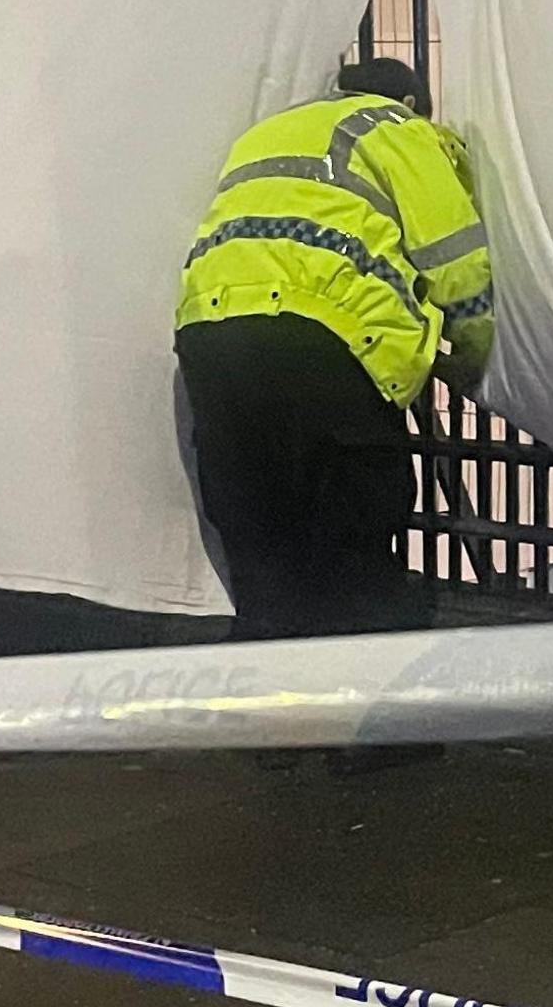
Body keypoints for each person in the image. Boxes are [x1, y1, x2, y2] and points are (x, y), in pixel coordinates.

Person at [175, 58, 494, 643]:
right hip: (326, 342)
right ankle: (381, 720)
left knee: (260, 541)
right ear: (414, 104)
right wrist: (482, 362)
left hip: (211, 334)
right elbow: (457, 261)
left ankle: (274, 714)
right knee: (355, 541)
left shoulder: (266, 132)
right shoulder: (397, 129)